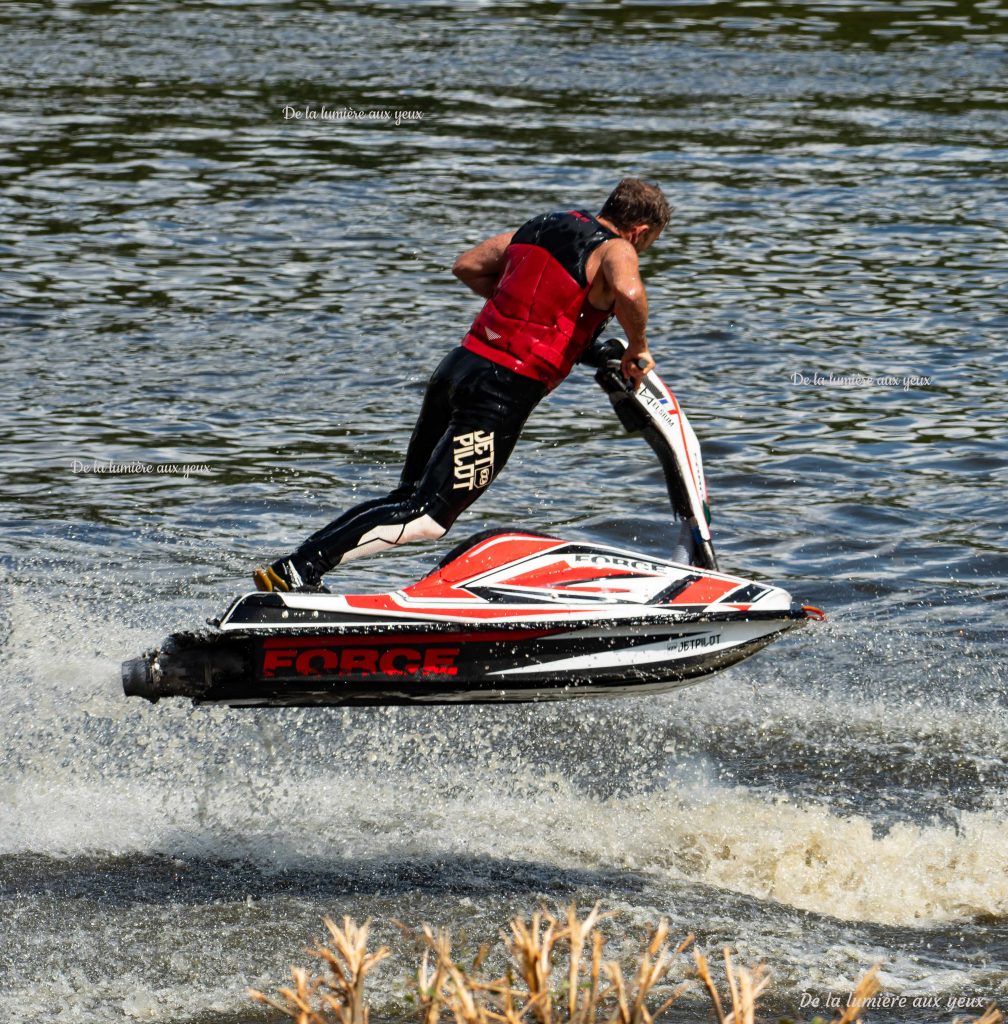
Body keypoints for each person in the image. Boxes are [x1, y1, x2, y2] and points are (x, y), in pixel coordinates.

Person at [253, 177, 671, 593]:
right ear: (641, 231)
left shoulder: (543, 226)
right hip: (500, 391)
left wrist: (525, 316)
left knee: (408, 498)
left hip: (457, 369)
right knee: (427, 517)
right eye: (648, 243)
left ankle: (293, 570)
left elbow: (467, 265)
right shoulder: (618, 248)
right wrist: (639, 346)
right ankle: (298, 571)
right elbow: (629, 292)